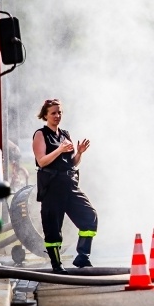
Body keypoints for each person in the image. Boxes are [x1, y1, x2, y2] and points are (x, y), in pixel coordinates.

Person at [32, 99, 98, 274]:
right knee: (53, 227)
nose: (57, 116)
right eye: (53, 113)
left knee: (89, 217)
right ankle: (56, 264)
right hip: (52, 187)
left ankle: (82, 256)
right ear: (45, 115)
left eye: (59, 112)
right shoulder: (40, 134)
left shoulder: (65, 134)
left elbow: (72, 163)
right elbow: (42, 161)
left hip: (70, 184)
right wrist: (59, 150)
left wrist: (79, 153)